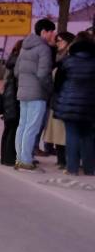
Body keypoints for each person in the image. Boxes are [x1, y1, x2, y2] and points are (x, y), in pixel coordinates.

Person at [13, 19, 57, 171]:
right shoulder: (44, 49)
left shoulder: (25, 47)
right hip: (37, 94)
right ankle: (26, 161)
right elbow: (43, 74)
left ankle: (20, 158)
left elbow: (16, 71)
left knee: (22, 126)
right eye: (51, 32)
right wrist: (50, 90)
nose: (53, 35)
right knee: (32, 127)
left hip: (23, 92)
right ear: (44, 32)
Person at [52, 29, 95, 176]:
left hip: (69, 104)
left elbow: (57, 83)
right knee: (88, 135)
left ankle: (72, 168)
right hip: (90, 105)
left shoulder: (67, 61)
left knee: (72, 135)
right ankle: (89, 169)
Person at [40, 32, 73, 167]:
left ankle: (64, 160)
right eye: (57, 40)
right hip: (57, 99)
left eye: (60, 41)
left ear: (68, 42)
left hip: (63, 99)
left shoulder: (68, 58)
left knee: (61, 131)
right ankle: (61, 159)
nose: (58, 43)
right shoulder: (59, 55)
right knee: (57, 131)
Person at [0, 39, 23, 167]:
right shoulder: (18, 63)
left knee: (8, 128)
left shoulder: (11, 61)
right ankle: (10, 158)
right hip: (14, 97)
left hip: (8, 96)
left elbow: (5, 81)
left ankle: (4, 157)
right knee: (14, 128)